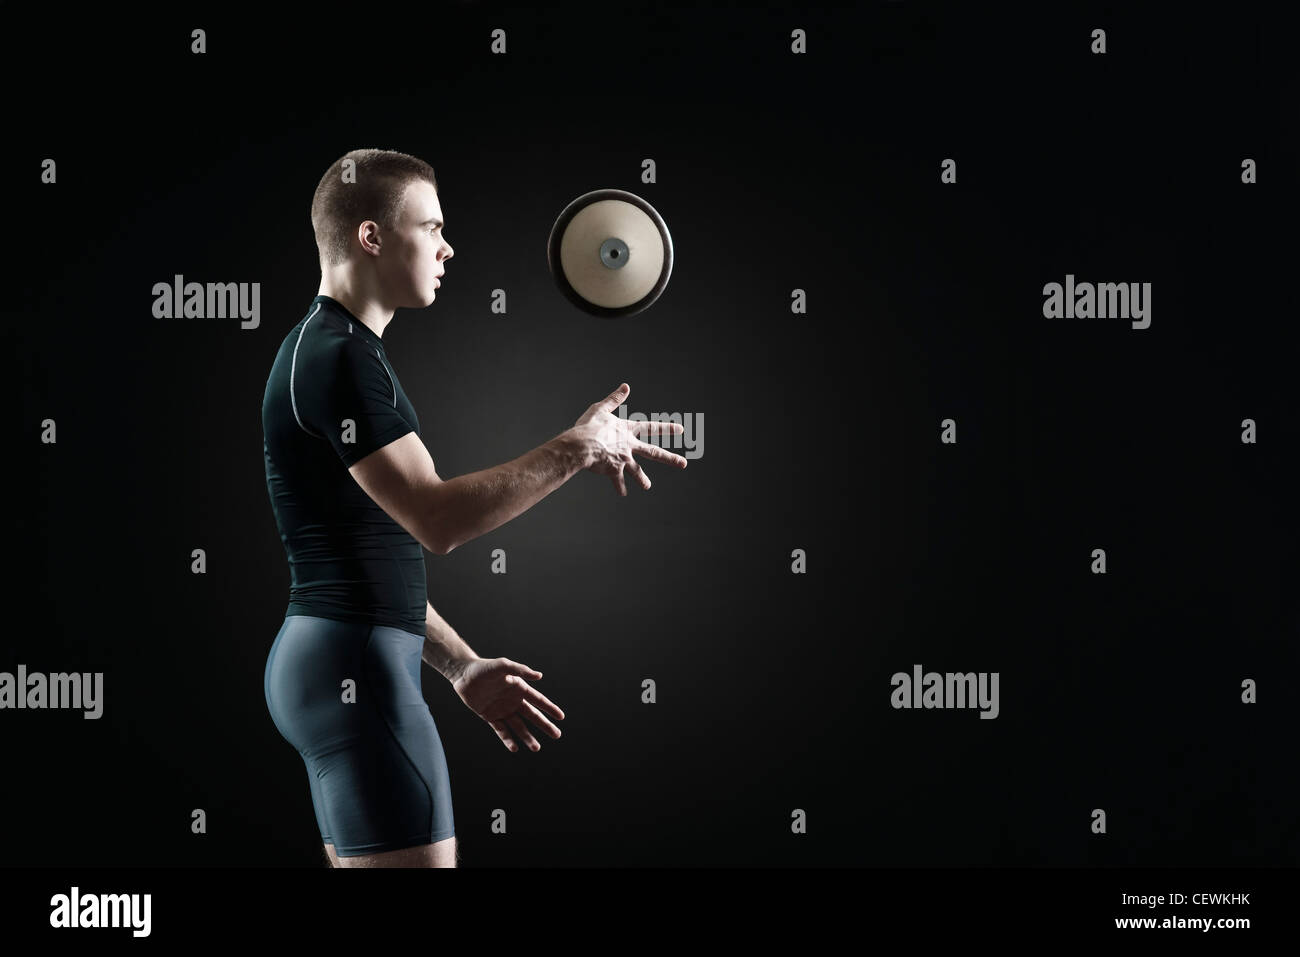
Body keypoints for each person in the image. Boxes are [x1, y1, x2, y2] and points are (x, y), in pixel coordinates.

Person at [260, 148, 688, 868]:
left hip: (325, 661)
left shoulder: (322, 348)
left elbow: (366, 549)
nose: (447, 247)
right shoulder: (340, 358)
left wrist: (458, 665)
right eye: (431, 227)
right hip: (358, 671)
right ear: (371, 238)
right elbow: (438, 520)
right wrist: (578, 446)